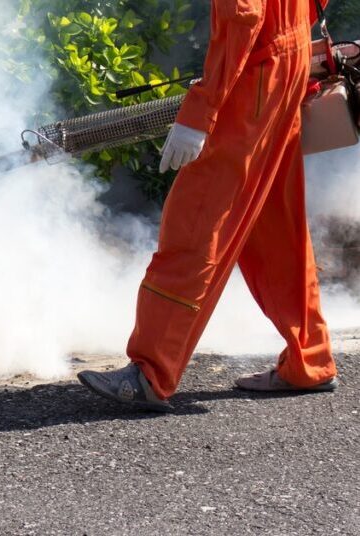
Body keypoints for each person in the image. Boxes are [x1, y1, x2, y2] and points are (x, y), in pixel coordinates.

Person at [78, 0, 338, 411]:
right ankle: (311, 358)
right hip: (285, 60)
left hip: (256, 73)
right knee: (274, 226)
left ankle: (151, 371)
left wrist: (201, 111)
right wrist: (298, 47)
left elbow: (242, 15)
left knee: (198, 220)